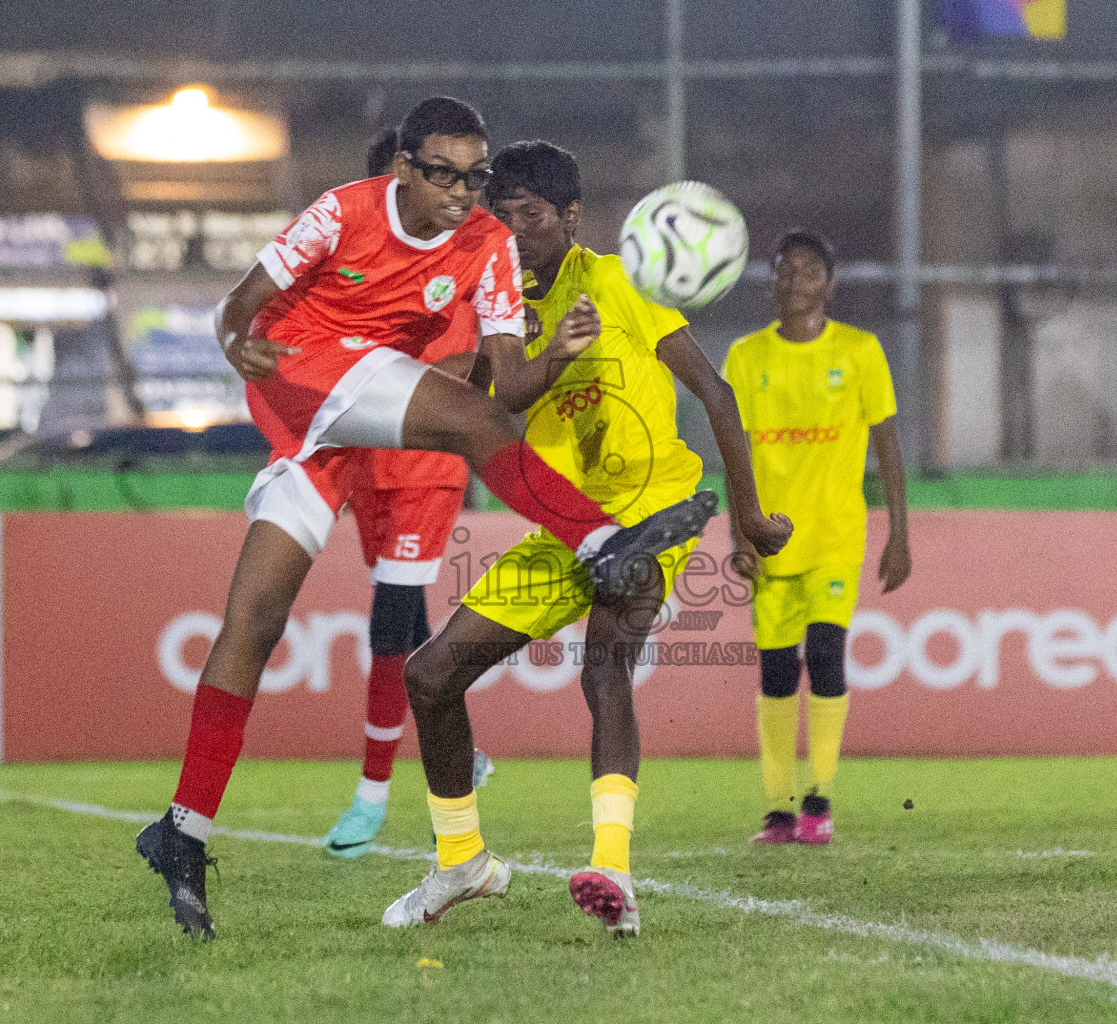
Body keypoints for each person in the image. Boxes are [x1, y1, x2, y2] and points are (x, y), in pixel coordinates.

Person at [134, 99, 719, 941]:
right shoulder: (343, 211)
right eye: (443, 173)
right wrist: (235, 343)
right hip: (299, 378)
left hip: (343, 426)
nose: (461, 192)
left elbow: (507, 389)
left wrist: (553, 359)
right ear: (404, 167)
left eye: (473, 176)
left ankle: (182, 831)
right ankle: (601, 538)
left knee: (254, 620)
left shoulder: (486, 247)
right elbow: (242, 302)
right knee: (471, 431)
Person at [379, 141, 791, 936]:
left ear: (570, 217)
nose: (511, 230)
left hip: (649, 508)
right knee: (430, 676)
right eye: (501, 216)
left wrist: (748, 516)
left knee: (605, 663)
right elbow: (486, 399)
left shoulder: (613, 281)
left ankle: (612, 867)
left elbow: (715, 390)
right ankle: (461, 863)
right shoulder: (501, 302)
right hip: (567, 522)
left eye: (528, 215)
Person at [322, 128, 489, 858]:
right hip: (369, 463)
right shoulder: (344, 263)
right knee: (413, 628)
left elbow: (462, 359)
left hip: (426, 463)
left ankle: (371, 792)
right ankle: (461, 753)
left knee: (389, 618)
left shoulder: (456, 261)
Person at [721, 229, 911, 847]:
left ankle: (818, 800)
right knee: (776, 672)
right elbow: (736, 456)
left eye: (805, 271)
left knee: (826, 655)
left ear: (827, 285)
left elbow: (887, 444)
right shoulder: (746, 357)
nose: (791, 280)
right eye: (782, 270)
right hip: (771, 540)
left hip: (835, 534)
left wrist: (899, 534)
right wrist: (740, 535)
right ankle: (777, 810)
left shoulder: (859, 351)